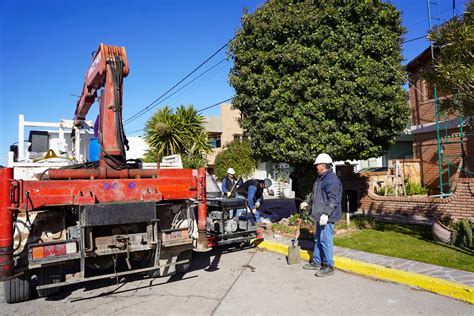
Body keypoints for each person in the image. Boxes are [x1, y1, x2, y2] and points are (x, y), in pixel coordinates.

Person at [300, 153, 342, 277]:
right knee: (318, 238)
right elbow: (314, 194)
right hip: (320, 215)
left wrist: (326, 214)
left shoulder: (331, 180)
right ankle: (317, 262)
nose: (316, 167)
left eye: (317, 165)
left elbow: (333, 199)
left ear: (323, 166)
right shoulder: (321, 178)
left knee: (325, 240)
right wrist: (307, 202)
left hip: (327, 217)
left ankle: (329, 265)